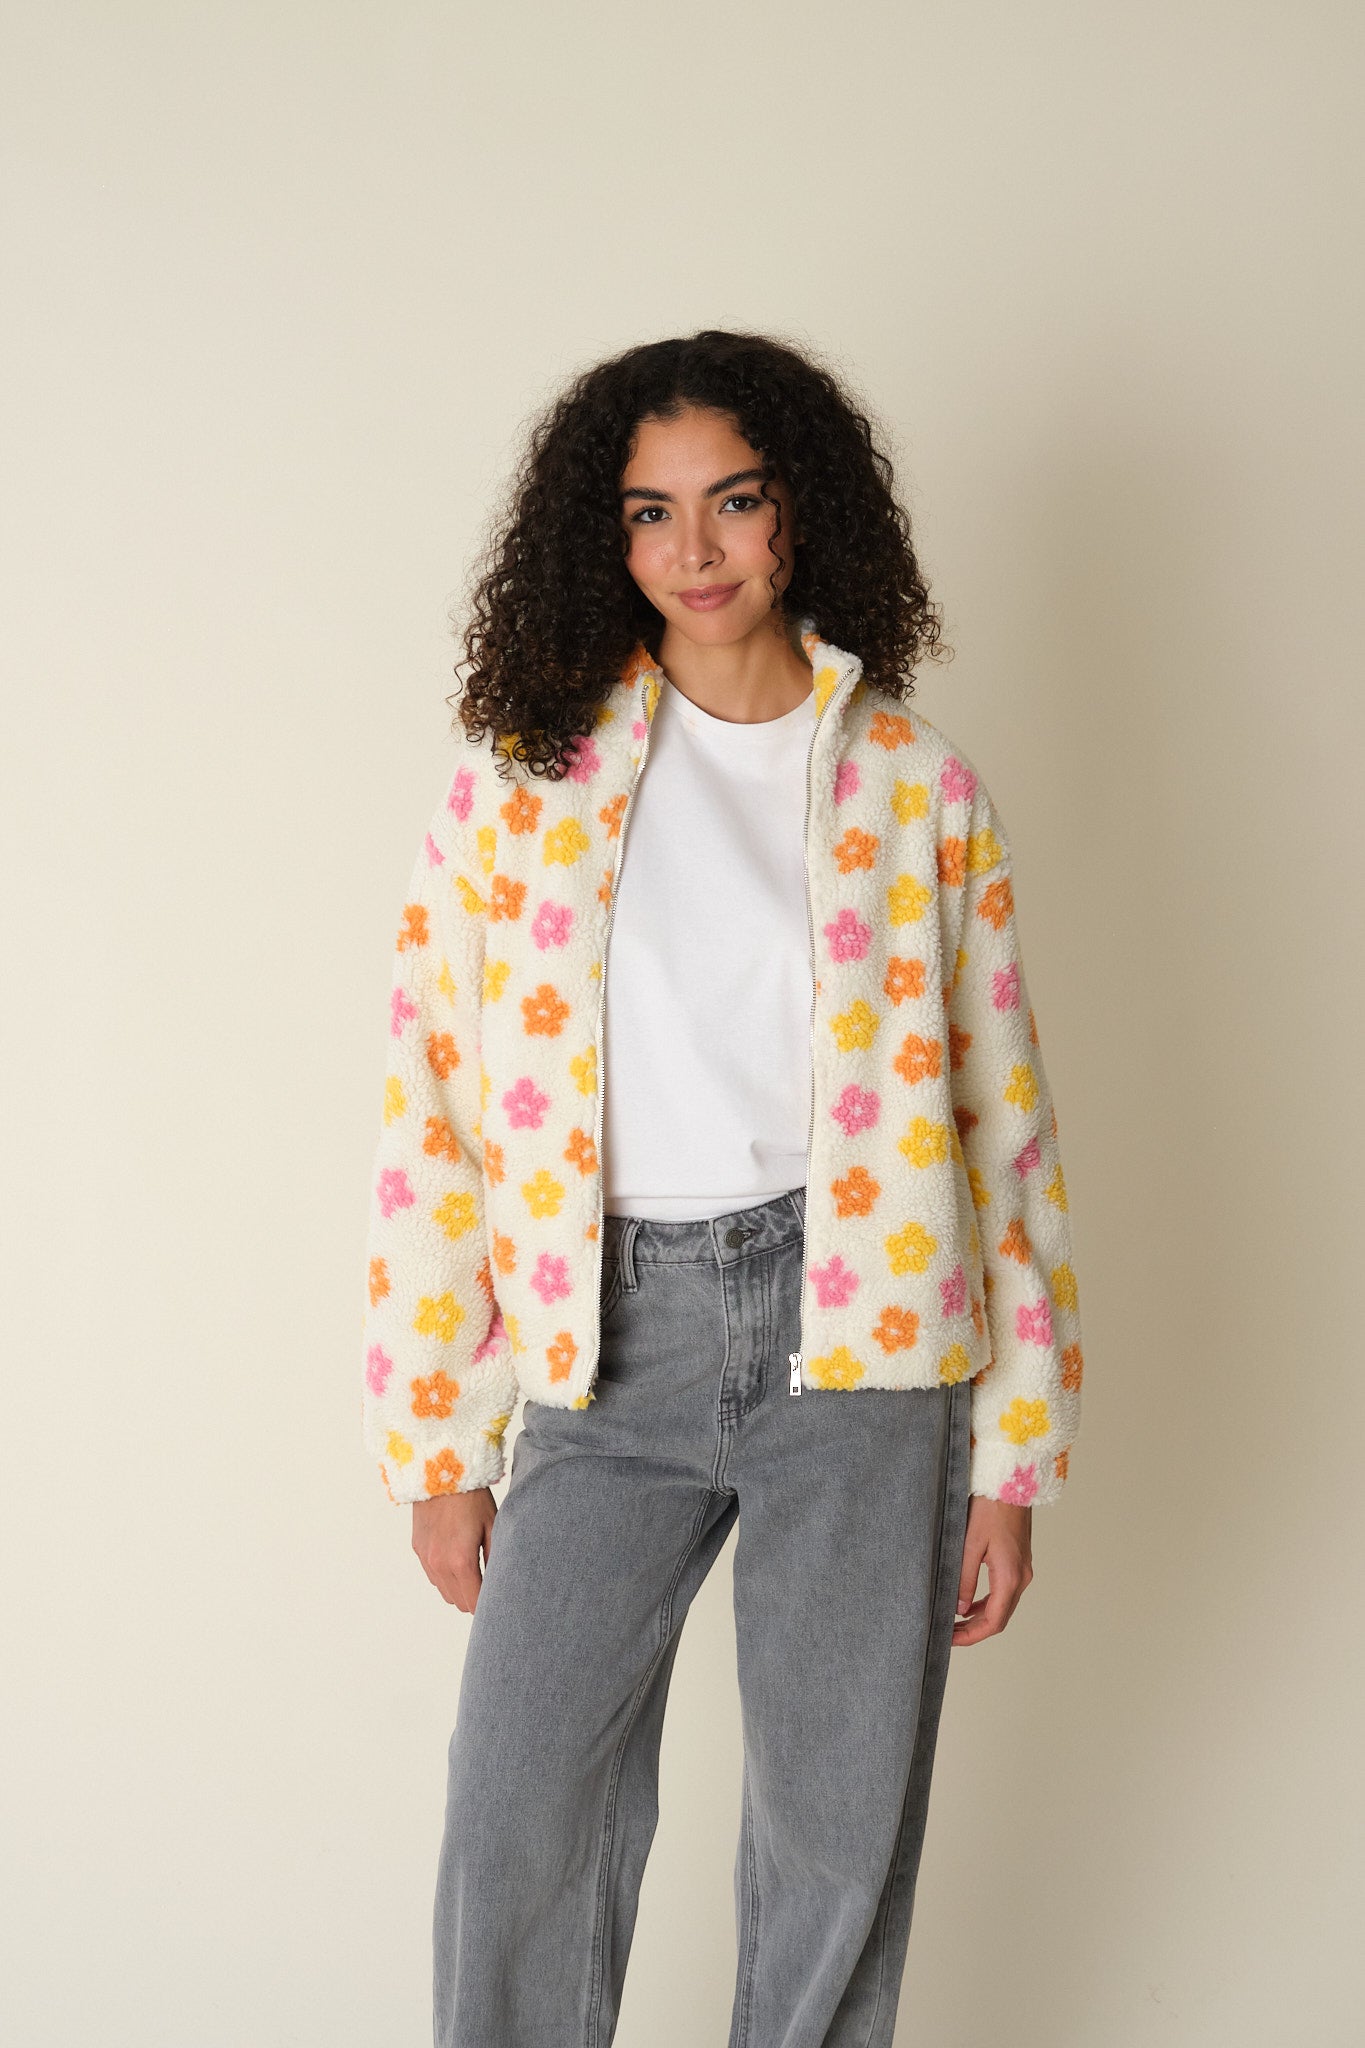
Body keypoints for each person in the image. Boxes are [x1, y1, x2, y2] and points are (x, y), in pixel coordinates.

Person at [360, 329, 1085, 2047]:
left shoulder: (914, 787)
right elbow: (435, 1104)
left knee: (834, 1836)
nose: (695, 550)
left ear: (798, 512)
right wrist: (437, 1441)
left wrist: (1013, 1459)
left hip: (868, 1345)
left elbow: (1002, 1125)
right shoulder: (520, 783)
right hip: (609, 1345)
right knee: (520, 1809)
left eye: (734, 502)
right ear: (600, 536)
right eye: (649, 512)